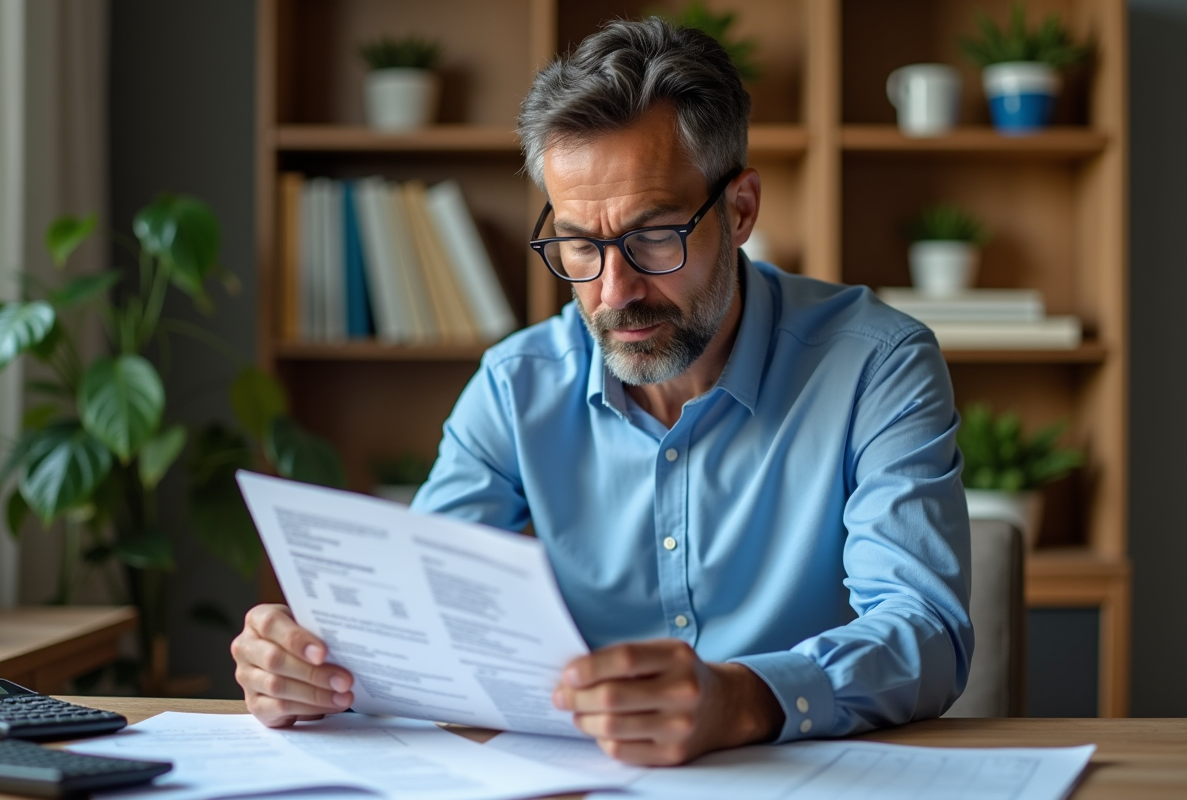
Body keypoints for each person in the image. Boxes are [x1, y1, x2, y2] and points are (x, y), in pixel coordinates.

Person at [231, 18, 973, 767]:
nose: (615, 293)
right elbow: (421, 614)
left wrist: (745, 698)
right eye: (581, 244)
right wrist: (307, 665)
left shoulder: (878, 364)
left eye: (654, 237)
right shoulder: (517, 384)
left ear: (740, 210)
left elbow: (926, 629)